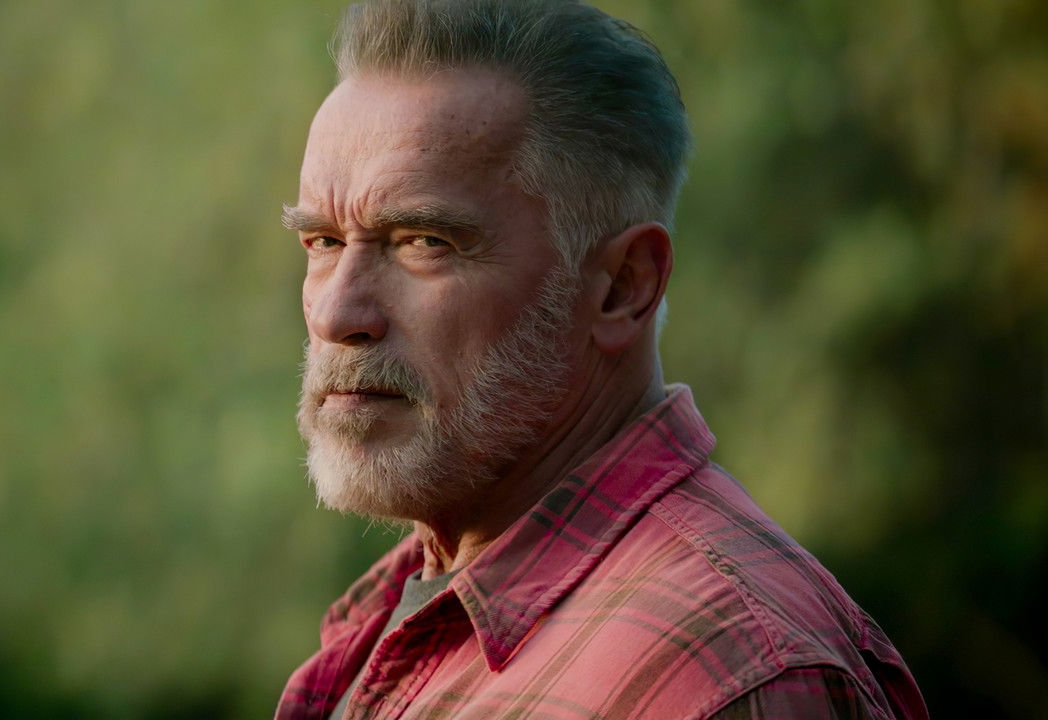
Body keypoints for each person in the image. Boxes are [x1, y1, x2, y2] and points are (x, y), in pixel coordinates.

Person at [276, 1, 929, 718]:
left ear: (623, 286)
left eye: (425, 243)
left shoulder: (735, 676)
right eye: (323, 242)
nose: (337, 315)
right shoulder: (399, 613)